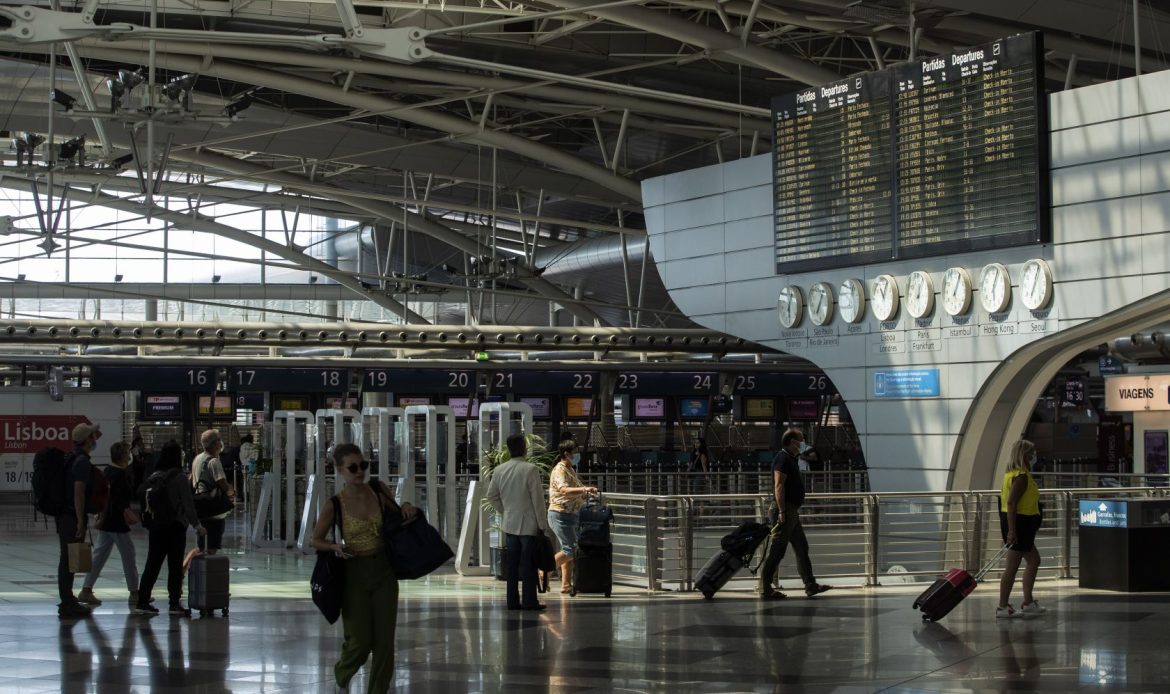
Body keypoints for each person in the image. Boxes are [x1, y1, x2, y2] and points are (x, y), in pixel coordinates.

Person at [310, 442, 417, 694]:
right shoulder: (335, 504)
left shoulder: (378, 490)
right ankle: (342, 673)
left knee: (384, 641)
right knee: (359, 641)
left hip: (383, 570)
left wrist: (408, 506)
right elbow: (315, 539)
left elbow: (398, 513)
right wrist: (335, 547)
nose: (360, 471)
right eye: (353, 467)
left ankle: (378, 689)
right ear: (340, 471)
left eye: (363, 465)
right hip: (353, 573)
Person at [756, 428, 832, 600]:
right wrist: (782, 511)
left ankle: (810, 585)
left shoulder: (791, 458)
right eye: (801, 439)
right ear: (792, 442)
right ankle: (765, 588)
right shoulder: (782, 459)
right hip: (785, 511)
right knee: (778, 551)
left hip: (791, 512)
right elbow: (779, 485)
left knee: (801, 546)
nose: (803, 442)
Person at [136, 441, 205, 617]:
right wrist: (197, 525)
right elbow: (188, 505)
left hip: (157, 526)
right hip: (175, 527)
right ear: (177, 456)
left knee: (152, 563)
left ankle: (142, 601)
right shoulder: (179, 477)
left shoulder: (155, 475)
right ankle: (174, 603)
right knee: (174, 566)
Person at [486, 433, 550, 611]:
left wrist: (504, 510)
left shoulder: (500, 470)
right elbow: (537, 499)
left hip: (510, 523)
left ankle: (512, 602)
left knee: (512, 566)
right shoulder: (530, 469)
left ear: (508, 448)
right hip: (529, 525)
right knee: (528, 564)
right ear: (523, 447)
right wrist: (542, 525)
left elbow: (491, 495)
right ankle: (530, 601)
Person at [78, 441, 141, 608]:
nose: (130, 456)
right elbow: (121, 499)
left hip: (106, 519)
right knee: (129, 555)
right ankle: (134, 593)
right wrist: (126, 512)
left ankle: (86, 588)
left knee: (99, 555)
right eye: (128, 452)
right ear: (123, 455)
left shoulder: (108, 471)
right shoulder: (120, 474)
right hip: (117, 521)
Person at [996, 438, 1046, 619]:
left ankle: (1028, 602)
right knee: (1012, 566)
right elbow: (1011, 502)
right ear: (1024, 455)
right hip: (1019, 524)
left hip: (1020, 524)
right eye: (1031, 454)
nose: (1034, 457)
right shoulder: (1021, 477)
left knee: (1034, 560)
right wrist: (1012, 530)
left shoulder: (1013, 474)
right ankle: (1003, 606)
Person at [57, 423, 101, 619]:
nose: (95, 439)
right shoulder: (81, 461)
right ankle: (67, 603)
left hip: (65, 515)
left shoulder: (71, 457)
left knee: (70, 558)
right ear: (86, 440)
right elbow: (78, 493)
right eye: (92, 436)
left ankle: (68, 598)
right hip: (71, 516)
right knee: (68, 560)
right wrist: (80, 521)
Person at [547, 439, 597, 595]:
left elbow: (575, 491)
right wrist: (585, 488)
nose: (577, 455)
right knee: (571, 549)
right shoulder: (560, 470)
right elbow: (564, 490)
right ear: (566, 454)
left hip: (570, 514)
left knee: (567, 547)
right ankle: (544, 571)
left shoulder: (570, 469)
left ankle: (566, 584)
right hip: (560, 514)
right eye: (575, 452)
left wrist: (585, 495)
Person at [190, 429, 236, 555]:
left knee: (201, 546)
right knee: (211, 548)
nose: (221, 442)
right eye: (219, 439)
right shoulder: (214, 461)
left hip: (200, 506)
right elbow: (223, 484)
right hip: (213, 509)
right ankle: (206, 573)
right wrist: (232, 493)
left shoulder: (197, 458)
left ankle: (186, 568)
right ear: (215, 443)